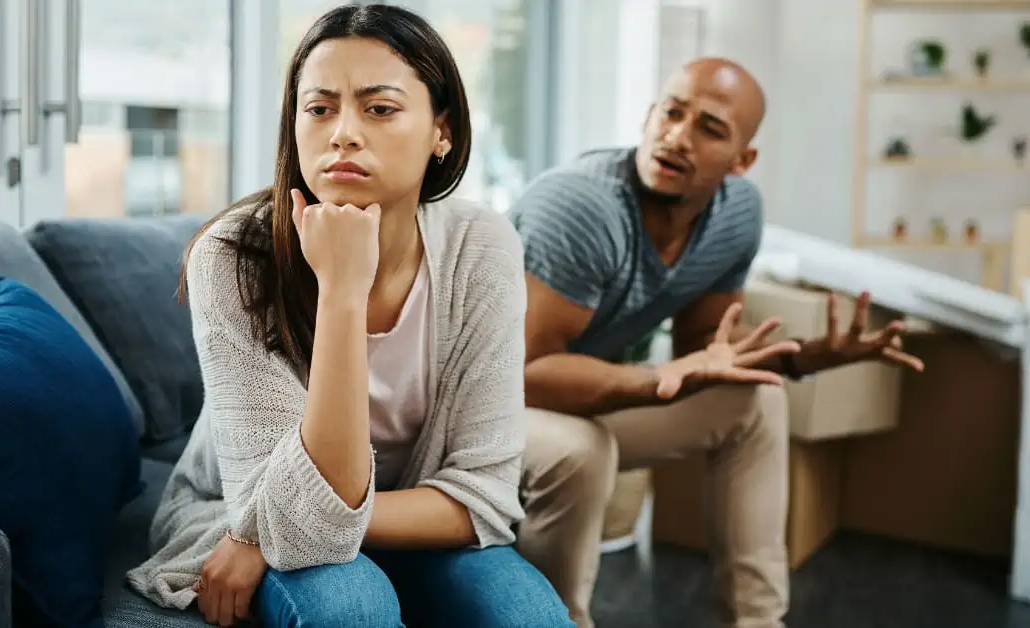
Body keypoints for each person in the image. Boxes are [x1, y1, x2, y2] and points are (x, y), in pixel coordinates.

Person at [125, 4, 573, 627]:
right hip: (236, 519)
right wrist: (341, 290)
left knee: (529, 618)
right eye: (319, 108)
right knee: (349, 608)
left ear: (441, 130)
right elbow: (266, 514)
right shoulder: (231, 257)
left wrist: (327, 518)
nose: (343, 133)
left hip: (391, 526)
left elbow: (485, 499)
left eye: (380, 108)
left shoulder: (482, 246)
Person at [509, 57, 925, 628]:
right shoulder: (581, 208)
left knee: (757, 399)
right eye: (671, 113)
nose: (678, 137)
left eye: (709, 128)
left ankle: (757, 622)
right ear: (649, 116)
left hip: (575, 397)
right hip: (478, 415)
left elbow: (710, 349)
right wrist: (655, 381)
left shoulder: (736, 216)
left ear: (741, 161)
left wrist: (803, 359)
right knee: (584, 448)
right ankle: (560, 621)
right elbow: (525, 375)